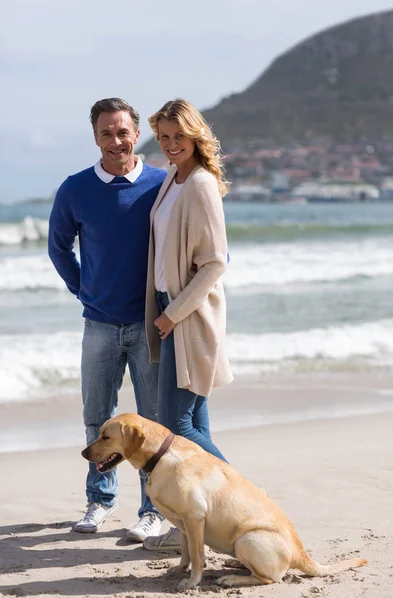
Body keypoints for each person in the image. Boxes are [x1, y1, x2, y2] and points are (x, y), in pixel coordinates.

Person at [48, 97, 167, 541]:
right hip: (98, 323)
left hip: (150, 324)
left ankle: (153, 510)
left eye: (122, 132)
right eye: (106, 133)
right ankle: (99, 502)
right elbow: (59, 247)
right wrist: (83, 288)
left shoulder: (162, 183)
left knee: (151, 424)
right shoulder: (75, 188)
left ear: (137, 134)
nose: (115, 141)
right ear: (95, 137)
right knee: (97, 416)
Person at [142, 99, 233, 552]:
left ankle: (239, 499)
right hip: (168, 308)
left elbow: (215, 263)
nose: (171, 144)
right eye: (164, 137)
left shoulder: (199, 183)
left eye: (179, 136)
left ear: (195, 136)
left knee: (177, 425)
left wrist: (171, 314)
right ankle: (211, 516)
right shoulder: (171, 180)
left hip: (188, 317)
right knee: (195, 420)